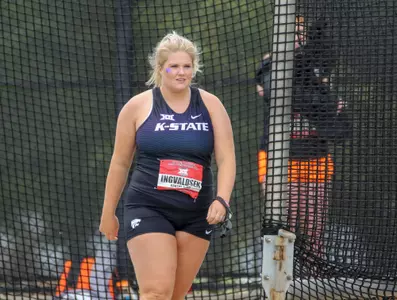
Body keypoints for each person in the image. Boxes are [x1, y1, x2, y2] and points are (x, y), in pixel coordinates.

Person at [99, 31, 236, 300]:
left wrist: (222, 199)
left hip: (197, 212)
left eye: (187, 66)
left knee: (174, 295)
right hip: (148, 206)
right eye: (174, 66)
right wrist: (108, 212)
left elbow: (226, 158)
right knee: (156, 292)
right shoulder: (137, 106)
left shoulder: (210, 104)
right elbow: (119, 163)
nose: (181, 73)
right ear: (160, 69)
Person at [256, 16, 351, 253]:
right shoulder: (270, 66)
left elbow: (340, 127)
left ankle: (312, 275)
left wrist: (328, 101)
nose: (296, 38)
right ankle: (277, 282)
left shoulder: (317, 67)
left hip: (315, 158)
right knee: (280, 225)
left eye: (301, 34)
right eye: (292, 34)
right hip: (278, 159)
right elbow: (269, 89)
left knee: (313, 228)